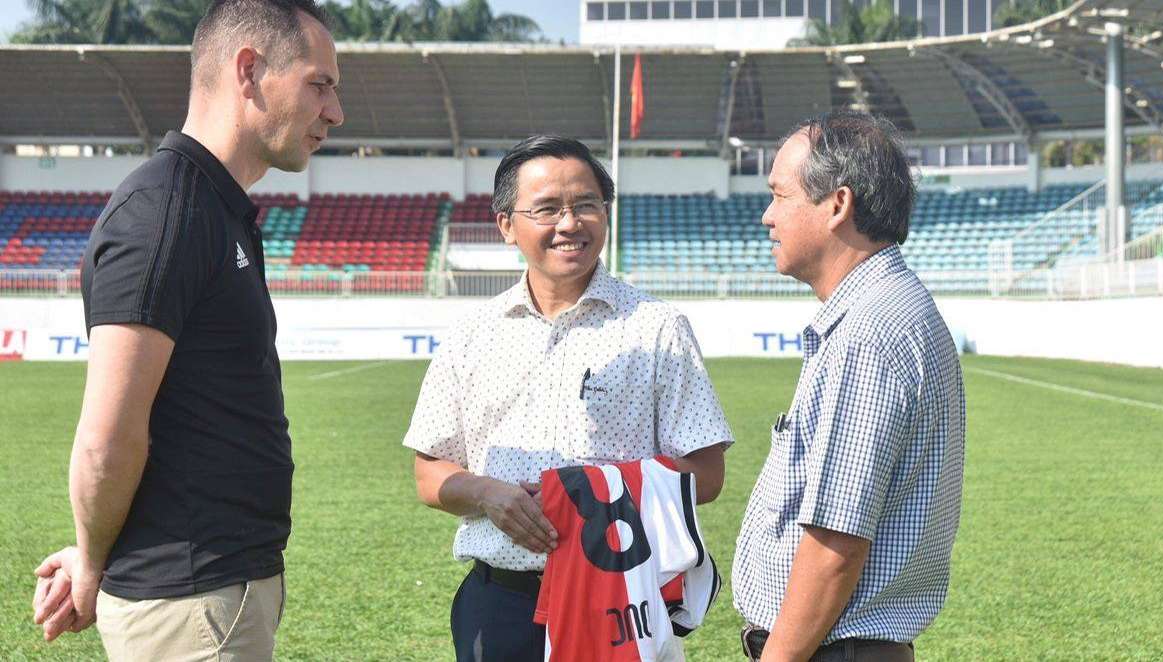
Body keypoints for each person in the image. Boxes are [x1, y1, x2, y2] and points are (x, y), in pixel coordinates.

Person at [29, 1, 343, 659]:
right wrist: (92, 562)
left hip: (217, 589)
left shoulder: (212, 206)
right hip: (190, 599)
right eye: (319, 84)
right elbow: (107, 438)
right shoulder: (165, 212)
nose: (334, 112)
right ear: (249, 71)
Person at [404, 135, 733, 662]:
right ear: (506, 224)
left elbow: (707, 474)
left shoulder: (657, 328)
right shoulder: (472, 333)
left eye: (586, 205)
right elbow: (430, 473)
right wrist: (488, 493)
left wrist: (590, 495)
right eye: (547, 209)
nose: (570, 223)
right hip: (498, 603)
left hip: (617, 601)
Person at [731, 111, 966, 662]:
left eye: (779, 196)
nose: (767, 216)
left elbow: (835, 544)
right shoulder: (888, 311)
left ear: (837, 204)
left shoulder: (867, 334)